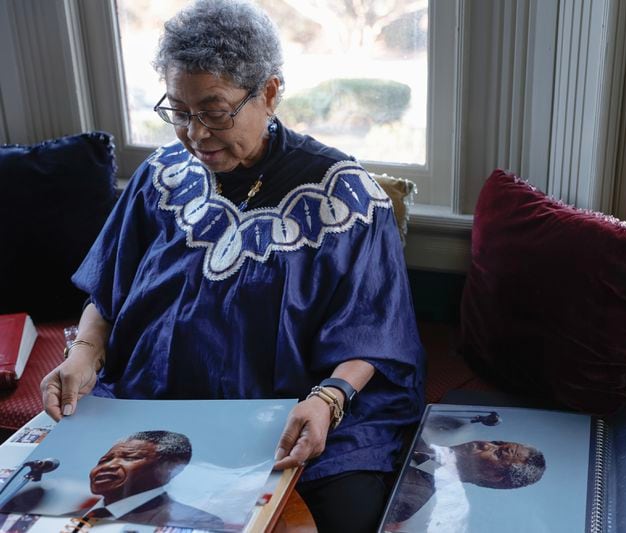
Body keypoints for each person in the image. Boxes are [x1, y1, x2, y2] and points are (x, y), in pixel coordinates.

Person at [39, 1, 424, 531]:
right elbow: (109, 290)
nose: (194, 134)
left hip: (293, 414)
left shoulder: (344, 197)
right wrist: (83, 355)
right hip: (151, 402)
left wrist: (328, 401)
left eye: (214, 111)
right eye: (178, 111)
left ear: (267, 93)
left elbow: (374, 331)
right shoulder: (163, 174)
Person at [79, 431, 223, 530]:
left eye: (130, 458)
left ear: (169, 468)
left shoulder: (195, 521)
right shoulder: (66, 518)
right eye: (103, 460)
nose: (108, 466)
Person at [384, 439, 546, 525]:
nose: (485, 443)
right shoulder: (415, 428)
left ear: (493, 476)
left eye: (497, 453)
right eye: (496, 443)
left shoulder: (410, 500)